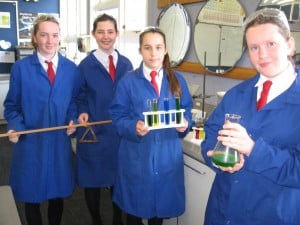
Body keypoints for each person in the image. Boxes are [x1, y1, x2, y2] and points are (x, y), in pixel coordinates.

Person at [201, 8, 300, 225]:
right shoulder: (236, 94)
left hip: (272, 215)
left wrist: (255, 150)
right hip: (222, 212)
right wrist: (215, 158)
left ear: (290, 45)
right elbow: (210, 134)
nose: (262, 54)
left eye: (270, 44)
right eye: (254, 47)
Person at [109, 27, 193, 225]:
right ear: (140, 51)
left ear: (165, 50)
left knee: (159, 212)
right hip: (137, 155)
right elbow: (116, 116)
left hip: (167, 155)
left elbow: (187, 110)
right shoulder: (128, 82)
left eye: (158, 47)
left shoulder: (178, 81)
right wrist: (132, 127)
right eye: (147, 48)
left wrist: (185, 124)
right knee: (134, 212)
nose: (153, 53)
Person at [3, 15, 80, 225]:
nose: (49, 41)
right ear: (34, 37)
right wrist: (16, 127)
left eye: (54, 35)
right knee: (31, 196)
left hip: (58, 143)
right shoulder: (21, 68)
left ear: (59, 38)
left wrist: (72, 119)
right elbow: (12, 106)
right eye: (44, 35)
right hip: (31, 143)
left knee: (57, 196)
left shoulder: (71, 70)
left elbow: (74, 101)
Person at [76, 14, 133, 225]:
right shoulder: (84, 66)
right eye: (101, 32)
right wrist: (81, 111)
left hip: (119, 135)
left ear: (117, 34)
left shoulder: (127, 65)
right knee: (92, 182)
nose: (106, 36)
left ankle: (117, 220)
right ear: (94, 34)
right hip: (94, 133)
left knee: (118, 181)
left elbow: (132, 96)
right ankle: (96, 220)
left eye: (110, 31)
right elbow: (78, 96)